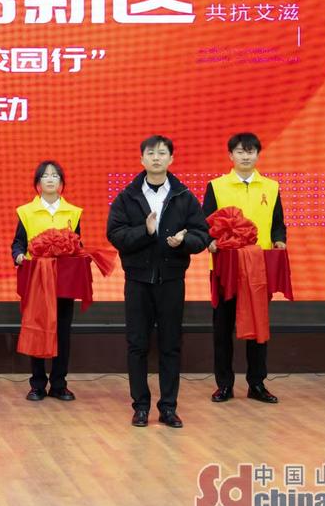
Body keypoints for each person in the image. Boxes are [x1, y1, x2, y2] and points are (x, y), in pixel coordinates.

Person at [107, 136, 209, 429]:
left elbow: (202, 234)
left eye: (162, 153)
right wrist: (145, 231)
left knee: (170, 345)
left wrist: (184, 241)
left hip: (171, 280)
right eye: (150, 153)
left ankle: (168, 407)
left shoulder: (184, 196)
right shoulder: (127, 196)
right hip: (138, 281)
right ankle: (140, 407)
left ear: (171, 159)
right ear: (141, 159)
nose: (156, 158)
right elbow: (114, 234)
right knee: (137, 345)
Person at [203, 132, 287, 405]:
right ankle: (224, 385)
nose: (246, 156)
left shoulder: (271, 187)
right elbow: (205, 224)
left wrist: (279, 240)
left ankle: (257, 384)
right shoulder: (216, 186)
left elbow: (278, 223)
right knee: (222, 329)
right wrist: (209, 241)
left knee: (258, 327)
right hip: (226, 267)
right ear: (231, 155)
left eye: (250, 151)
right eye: (240, 151)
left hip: (258, 268)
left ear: (258, 155)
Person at [12, 160, 83, 403]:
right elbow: (18, 243)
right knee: (38, 328)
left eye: (55, 175)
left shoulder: (73, 212)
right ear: (38, 182)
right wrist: (18, 255)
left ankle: (59, 384)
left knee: (62, 332)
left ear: (61, 182)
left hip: (64, 282)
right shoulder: (26, 212)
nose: (50, 179)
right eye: (45, 175)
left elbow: (78, 244)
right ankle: (38, 384)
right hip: (38, 280)